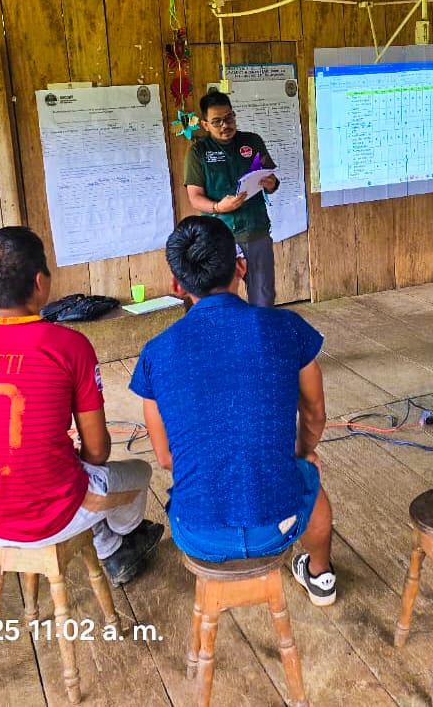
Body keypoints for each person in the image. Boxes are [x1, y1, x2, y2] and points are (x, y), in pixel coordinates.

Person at [129, 216, 337, 604]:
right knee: (309, 476)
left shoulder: (155, 353)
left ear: (177, 286)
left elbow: (166, 457)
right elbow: (315, 414)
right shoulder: (287, 328)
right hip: (277, 526)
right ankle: (320, 573)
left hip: (197, 533)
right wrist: (303, 452)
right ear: (241, 267)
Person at [0, 227, 162, 586]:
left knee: (68, 472)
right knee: (138, 472)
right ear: (40, 281)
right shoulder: (68, 345)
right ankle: (122, 541)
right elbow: (97, 451)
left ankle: (108, 543)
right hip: (48, 519)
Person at [184, 91, 280, 307]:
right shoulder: (198, 152)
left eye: (229, 118)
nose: (225, 125)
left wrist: (271, 183)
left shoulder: (252, 141)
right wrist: (218, 206)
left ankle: (259, 330)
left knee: (263, 300)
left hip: (255, 232)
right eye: (217, 121)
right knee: (219, 302)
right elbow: (195, 198)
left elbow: (271, 179)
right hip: (218, 239)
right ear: (205, 124)